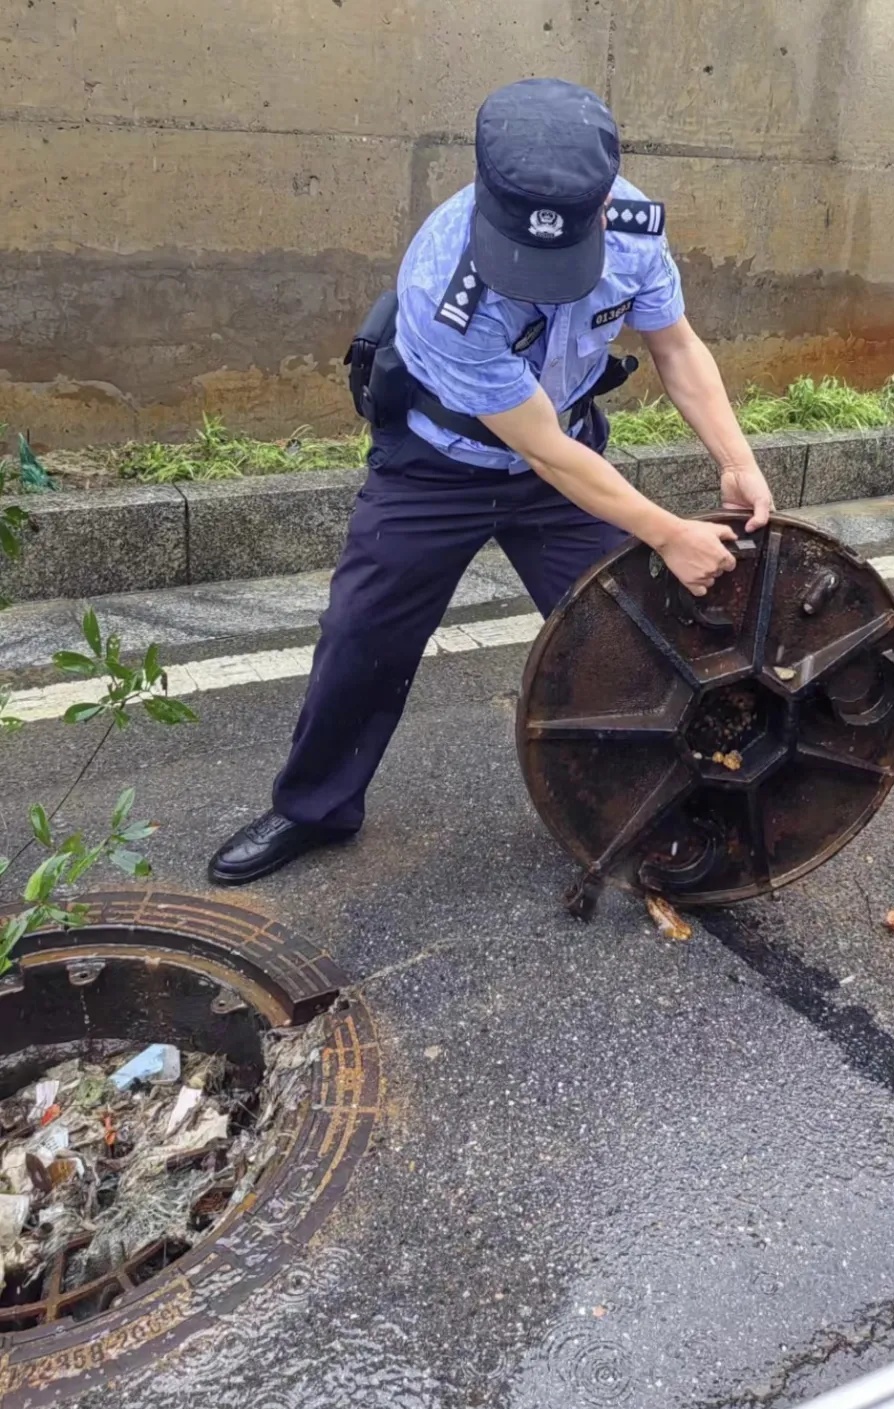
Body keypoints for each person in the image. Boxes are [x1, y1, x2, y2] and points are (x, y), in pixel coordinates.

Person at [208, 77, 774, 886]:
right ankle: (313, 808)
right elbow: (540, 449)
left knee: (627, 638)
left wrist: (735, 458)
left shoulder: (635, 233)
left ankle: (652, 803)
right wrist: (668, 531)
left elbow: (676, 346)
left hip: (564, 459)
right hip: (439, 468)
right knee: (363, 637)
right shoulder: (445, 284)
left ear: (602, 201)